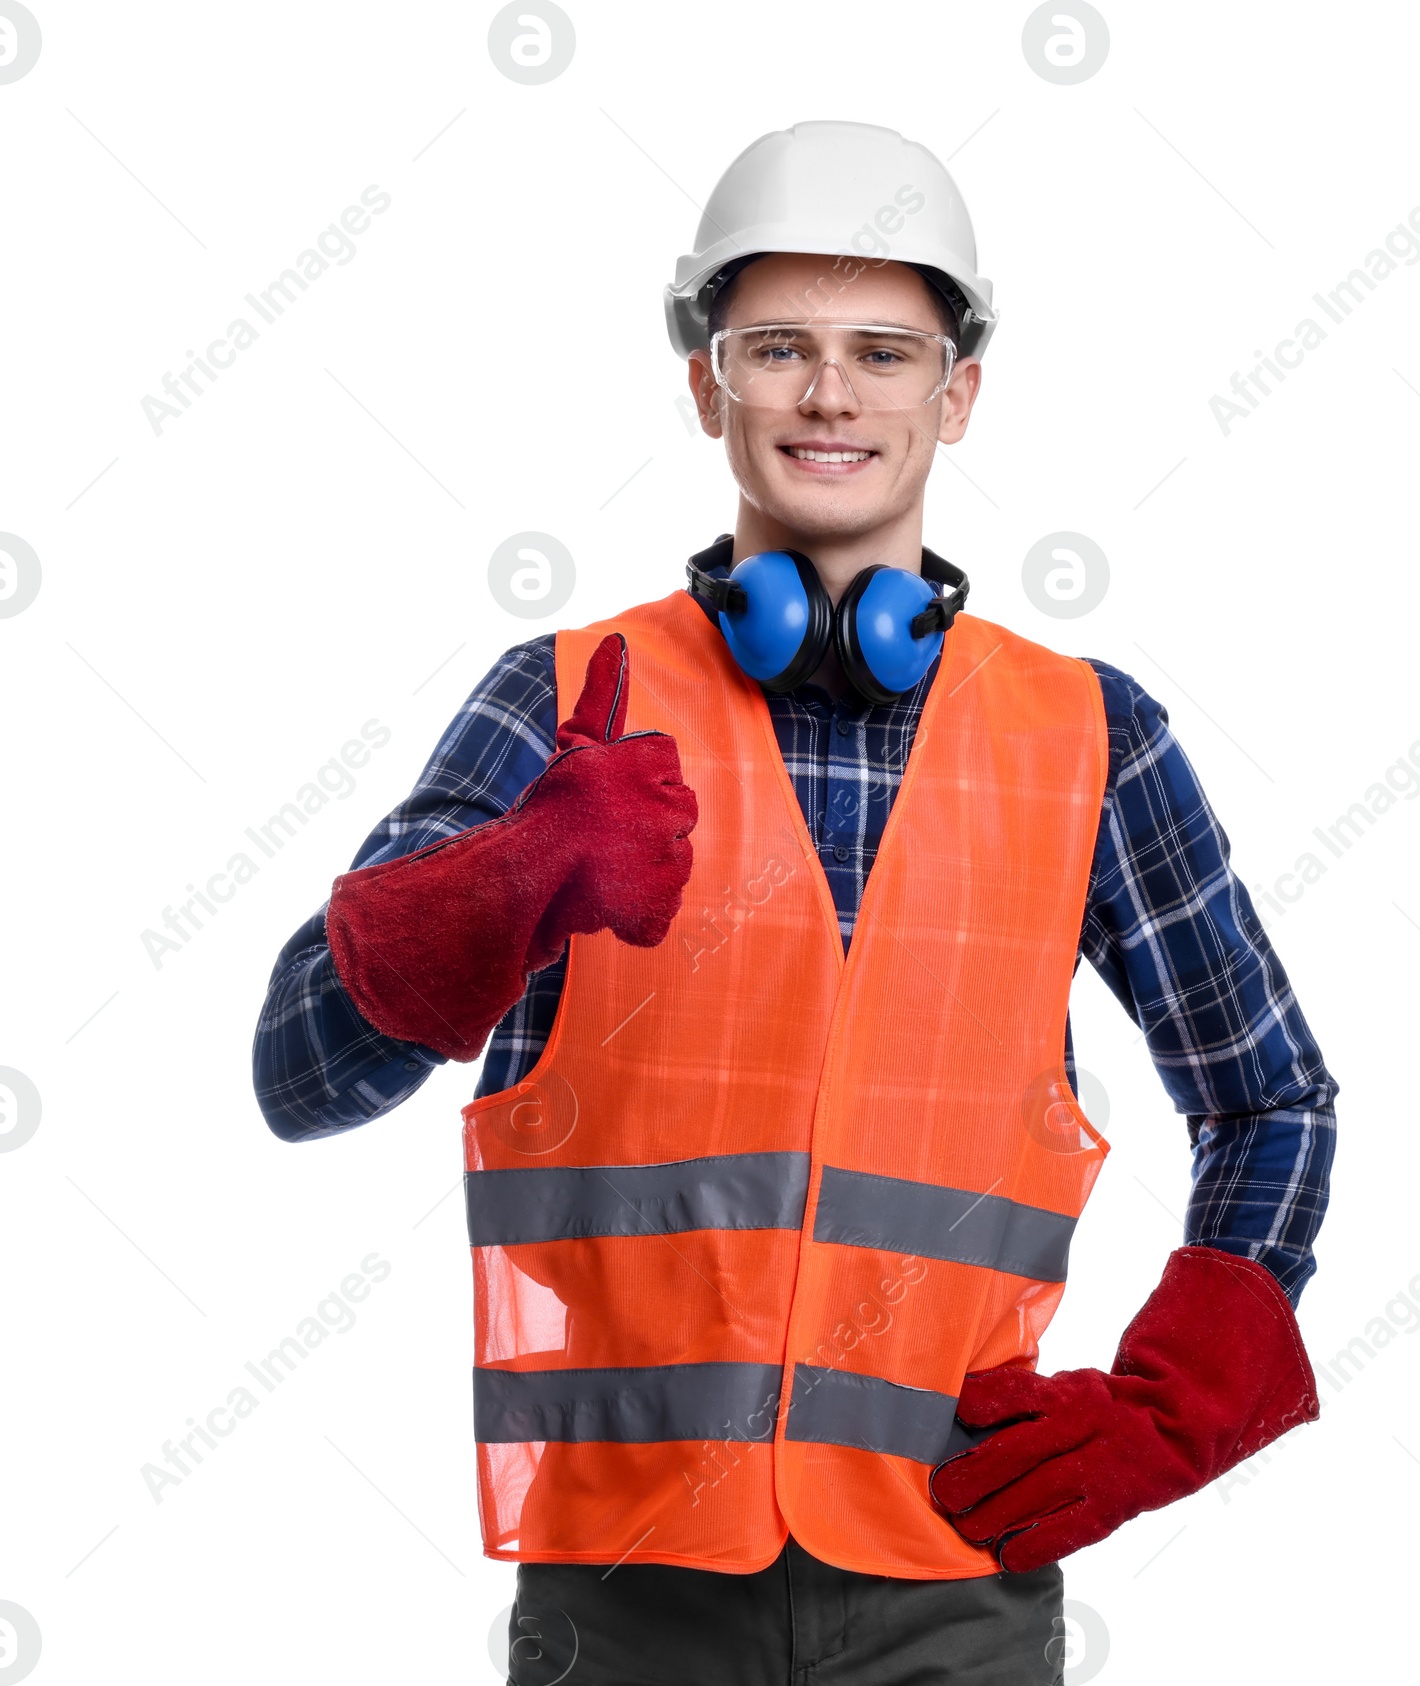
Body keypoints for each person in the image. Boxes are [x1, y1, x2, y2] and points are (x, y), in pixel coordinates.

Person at [253, 121, 1337, 1686]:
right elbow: (298, 1075)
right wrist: (510, 878)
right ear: (707, 382)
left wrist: (1174, 1402)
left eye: (884, 352)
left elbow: (1274, 1097)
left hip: (955, 1582)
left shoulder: (1089, 737)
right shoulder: (566, 709)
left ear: (955, 395)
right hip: (622, 1597)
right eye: (780, 348)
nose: (833, 396)